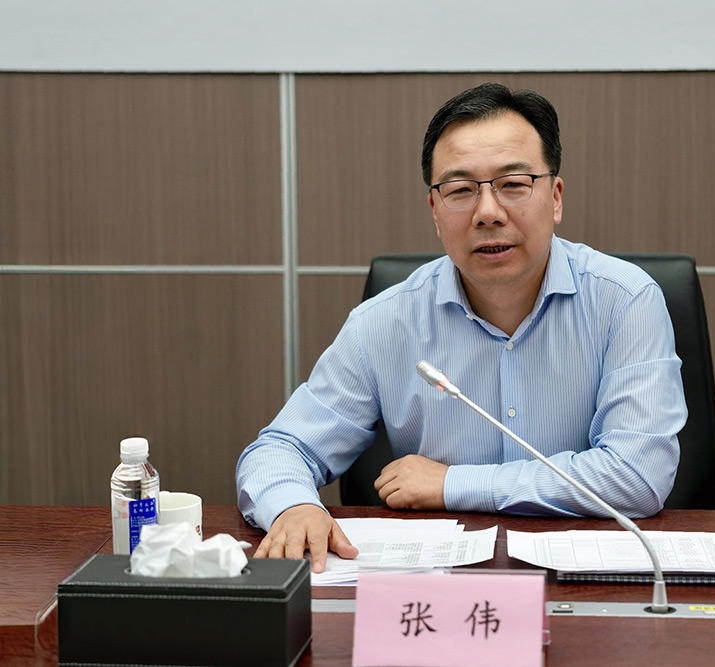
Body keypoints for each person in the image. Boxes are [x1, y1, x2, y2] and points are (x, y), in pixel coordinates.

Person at [236, 82, 687, 573]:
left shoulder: (624, 301)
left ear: (555, 198)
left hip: (584, 582)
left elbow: (638, 476)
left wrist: (454, 484)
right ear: (435, 212)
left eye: (513, 184)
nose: (488, 213)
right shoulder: (385, 322)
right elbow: (280, 450)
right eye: (460, 191)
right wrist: (294, 506)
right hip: (439, 587)